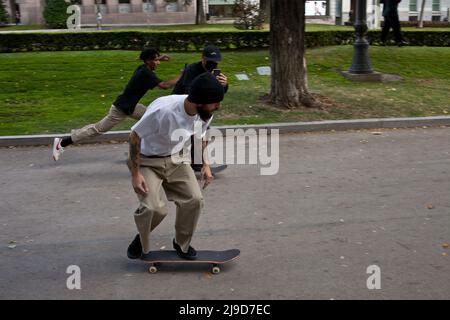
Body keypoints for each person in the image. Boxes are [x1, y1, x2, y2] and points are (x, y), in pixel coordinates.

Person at [126, 73, 224, 260]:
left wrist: (206, 164)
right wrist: (135, 174)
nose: (218, 106)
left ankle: (181, 243)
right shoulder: (164, 111)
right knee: (154, 209)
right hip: (148, 160)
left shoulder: (205, 114)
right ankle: (141, 239)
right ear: (200, 102)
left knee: (194, 200)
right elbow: (134, 136)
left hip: (177, 158)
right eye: (215, 102)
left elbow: (199, 137)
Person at [52, 48, 178, 161]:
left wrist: (160, 58)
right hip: (121, 109)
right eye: (156, 60)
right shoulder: (146, 73)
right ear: (148, 61)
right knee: (97, 129)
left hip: (132, 106)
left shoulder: (143, 67)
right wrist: (183, 76)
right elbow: (164, 86)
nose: (158, 63)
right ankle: (62, 142)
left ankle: (150, 151)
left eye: (158, 60)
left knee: (155, 120)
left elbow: (149, 61)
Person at [172, 45, 228, 172]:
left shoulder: (213, 72)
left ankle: (196, 162)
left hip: (198, 105)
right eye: (210, 61)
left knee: (201, 132)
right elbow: (188, 92)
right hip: (182, 105)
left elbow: (216, 93)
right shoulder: (191, 70)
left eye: (215, 62)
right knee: (195, 132)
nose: (213, 64)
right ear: (203, 58)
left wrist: (224, 85)